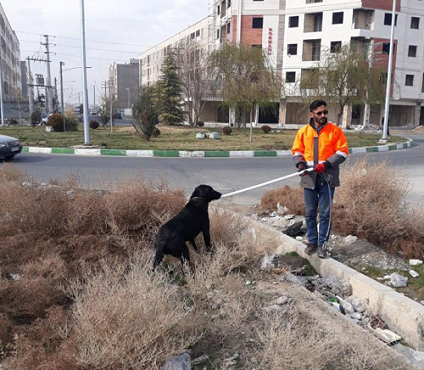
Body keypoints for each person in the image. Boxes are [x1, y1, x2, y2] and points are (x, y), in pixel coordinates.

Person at [291, 100, 349, 258]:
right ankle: (312, 242)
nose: (323, 115)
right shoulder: (303, 132)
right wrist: (301, 165)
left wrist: (327, 164)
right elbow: (296, 151)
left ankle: (323, 244)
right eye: (319, 113)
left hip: (327, 177)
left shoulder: (335, 131)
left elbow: (343, 152)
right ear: (312, 114)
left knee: (325, 213)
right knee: (310, 212)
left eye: (325, 112)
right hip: (309, 178)